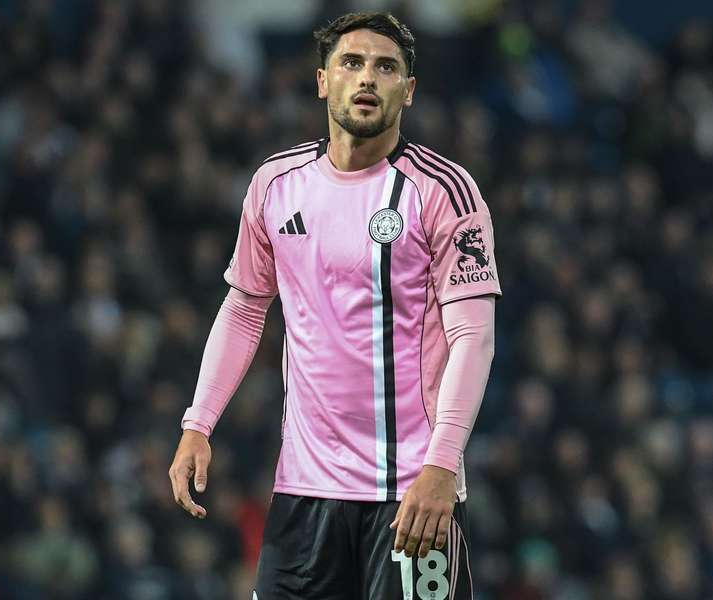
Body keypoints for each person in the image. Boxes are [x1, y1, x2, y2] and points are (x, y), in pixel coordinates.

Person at [169, 11, 500, 600]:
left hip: (411, 493)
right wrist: (198, 422)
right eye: (352, 63)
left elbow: (473, 338)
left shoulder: (443, 191)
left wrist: (442, 467)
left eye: (386, 67)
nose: (367, 78)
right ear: (323, 79)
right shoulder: (276, 183)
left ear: (409, 90)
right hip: (303, 493)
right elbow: (246, 308)